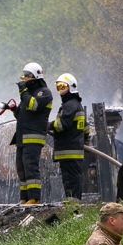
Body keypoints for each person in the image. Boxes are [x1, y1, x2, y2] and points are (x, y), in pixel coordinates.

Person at [5, 62, 53, 204]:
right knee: (21, 167)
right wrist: (13, 109)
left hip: (33, 136)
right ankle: (24, 197)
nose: (24, 78)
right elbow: (21, 115)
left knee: (31, 166)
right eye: (24, 76)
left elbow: (33, 106)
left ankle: (34, 197)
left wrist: (23, 92)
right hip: (22, 136)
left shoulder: (44, 92)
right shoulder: (28, 94)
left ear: (35, 76)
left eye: (27, 76)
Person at [49, 73, 89, 202]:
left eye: (63, 87)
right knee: (71, 178)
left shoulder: (69, 105)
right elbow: (86, 127)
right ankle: (72, 202)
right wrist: (85, 139)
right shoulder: (77, 105)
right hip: (73, 150)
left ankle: (73, 205)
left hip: (68, 149)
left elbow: (61, 125)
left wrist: (47, 125)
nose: (60, 91)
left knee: (70, 179)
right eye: (58, 87)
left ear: (71, 87)